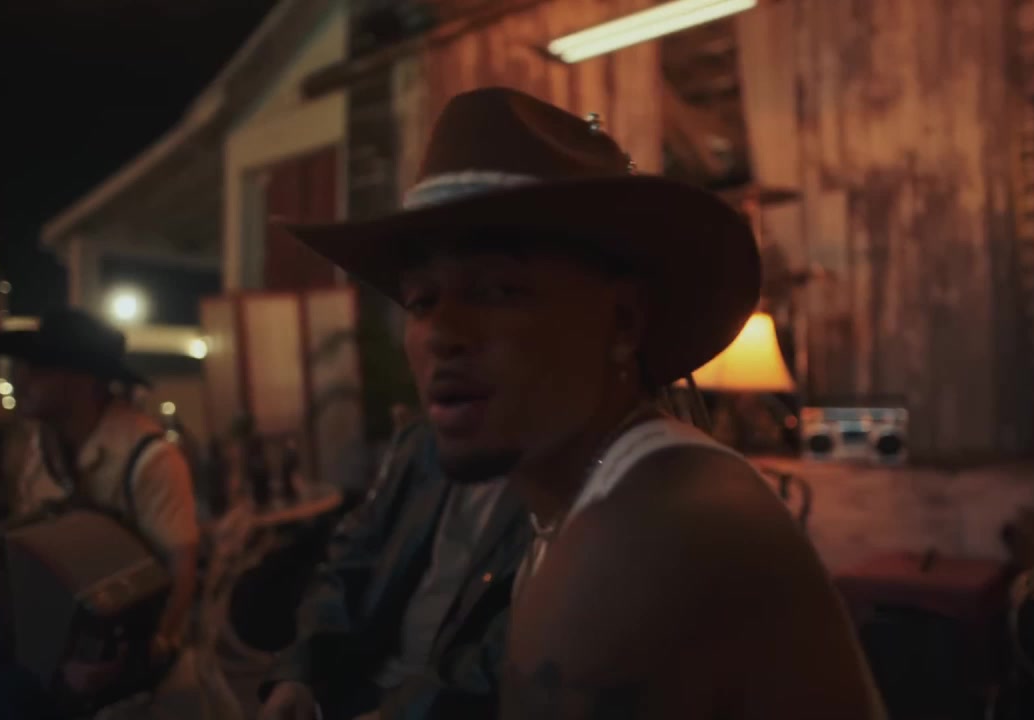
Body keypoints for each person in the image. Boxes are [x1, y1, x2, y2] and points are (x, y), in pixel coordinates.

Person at [278, 87, 886, 718]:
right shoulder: (585, 497)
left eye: (497, 290)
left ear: (622, 321)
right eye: (421, 301)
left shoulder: (642, 536)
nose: (441, 334)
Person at [0, 308, 202, 719]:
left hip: (117, 647)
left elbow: (180, 569)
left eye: (39, 368)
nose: (21, 379)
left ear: (82, 381)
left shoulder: (150, 458)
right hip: (35, 626)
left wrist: (146, 650)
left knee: (4, 698)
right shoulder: (37, 445)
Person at [259, 416, 529, 720]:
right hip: (360, 685)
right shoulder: (421, 443)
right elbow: (348, 562)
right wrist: (298, 674)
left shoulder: (555, 479)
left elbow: (513, 658)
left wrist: (396, 713)